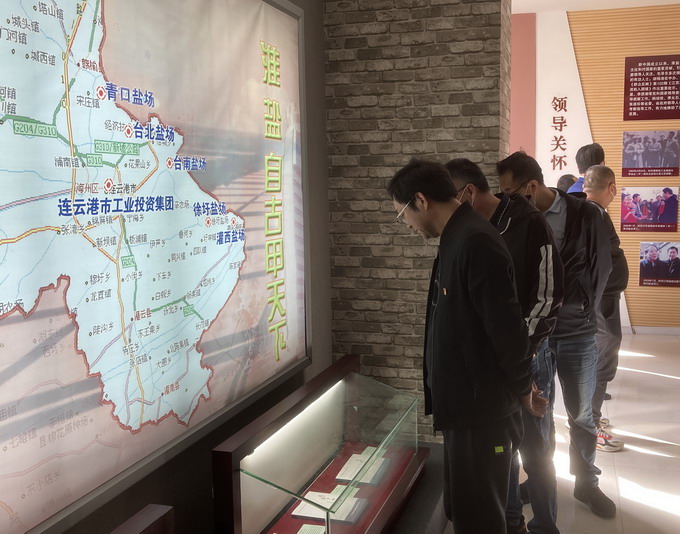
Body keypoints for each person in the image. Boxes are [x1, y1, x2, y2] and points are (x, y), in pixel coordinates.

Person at [387, 159, 546, 534]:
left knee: (480, 519)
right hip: (465, 408)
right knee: (465, 510)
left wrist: (523, 389)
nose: (406, 224)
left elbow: (507, 331)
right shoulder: (457, 236)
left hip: (482, 414)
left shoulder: (475, 240)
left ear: (421, 200)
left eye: (402, 214)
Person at [446, 158, 564, 534]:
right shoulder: (468, 231)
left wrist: (520, 349)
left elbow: (548, 296)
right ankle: (512, 523)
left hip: (529, 354)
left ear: (467, 192)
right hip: (496, 360)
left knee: (536, 447)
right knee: (502, 447)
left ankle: (545, 524)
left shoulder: (529, 223)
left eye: (448, 198)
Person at [497, 152, 616, 520]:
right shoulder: (512, 219)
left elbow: (605, 266)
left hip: (578, 332)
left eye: (510, 192)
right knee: (539, 417)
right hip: (538, 337)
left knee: (582, 414)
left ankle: (586, 482)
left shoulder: (586, 214)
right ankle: (540, 482)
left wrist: (586, 310)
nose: (505, 199)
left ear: (532, 186)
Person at [583, 166, 628, 452]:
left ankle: (589, 417)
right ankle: (591, 423)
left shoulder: (587, 211)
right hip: (602, 298)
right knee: (604, 356)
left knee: (600, 354)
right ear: (611, 187)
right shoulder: (595, 214)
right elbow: (597, 262)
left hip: (600, 296)